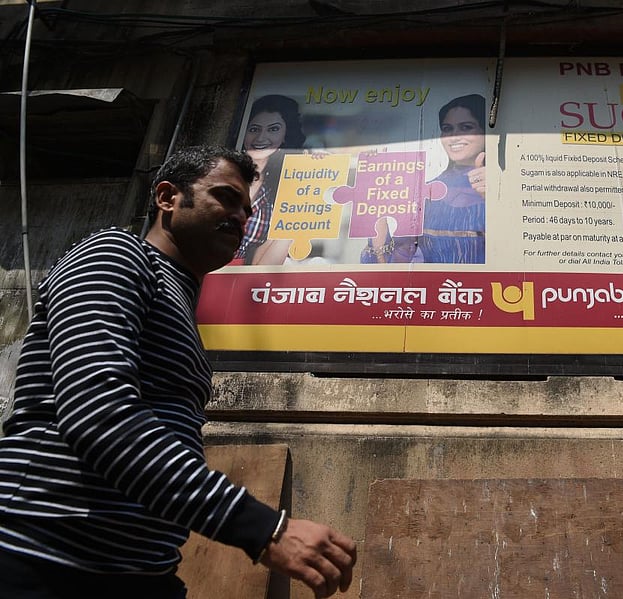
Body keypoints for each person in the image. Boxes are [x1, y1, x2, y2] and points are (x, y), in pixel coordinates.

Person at [0, 146, 356, 599]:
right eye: (225, 197)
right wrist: (263, 529)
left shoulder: (180, 302)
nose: (239, 217)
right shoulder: (115, 254)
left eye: (247, 211)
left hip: (143, 569)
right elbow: (98, 413)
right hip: (41, 555)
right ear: (167, 197)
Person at [362, 93, 486, 264]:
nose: (454, 136)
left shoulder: (504, 187)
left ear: (485, 132)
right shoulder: (425, 192)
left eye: (466, 127)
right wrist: (378, 193)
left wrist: (492, 197)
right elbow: (391, 264)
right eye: (447, 128)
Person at [234, 94, 306, 266]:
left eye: (273, 129)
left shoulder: (275, 189)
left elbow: (264, 265)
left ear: (285, 135)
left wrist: (314, 168)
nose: (260, 138)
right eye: (254, 129)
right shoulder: (227, 174)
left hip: (240, 274)